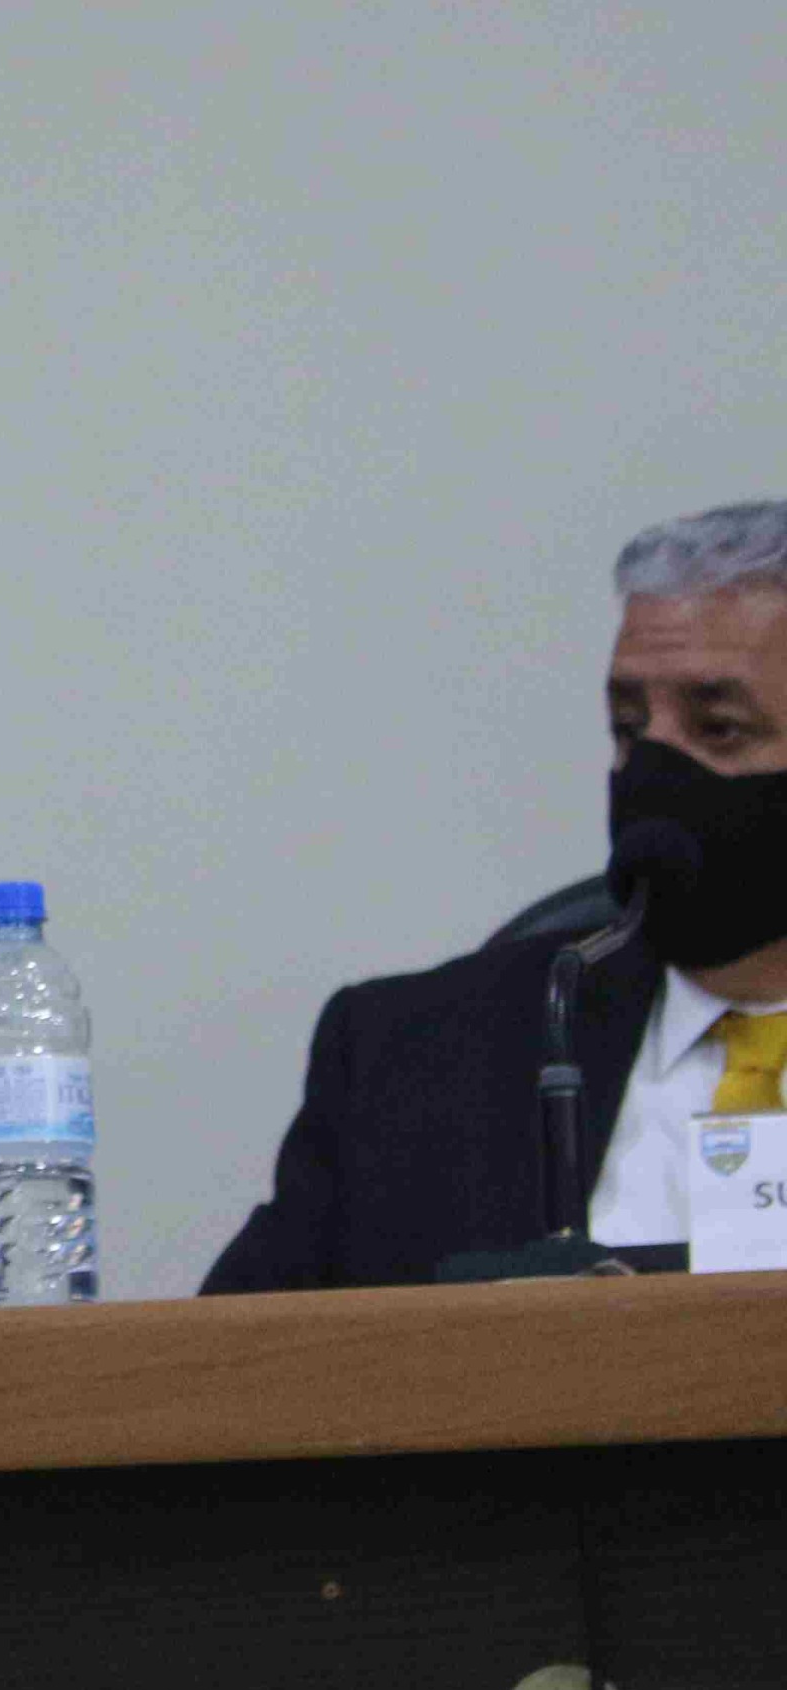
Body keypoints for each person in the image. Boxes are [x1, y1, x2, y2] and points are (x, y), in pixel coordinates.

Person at [205, 500, 787, 1291]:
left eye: (718, 729)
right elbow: (236, 1355)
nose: (653, 773)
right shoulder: (412, 1061)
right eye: (628, 727)